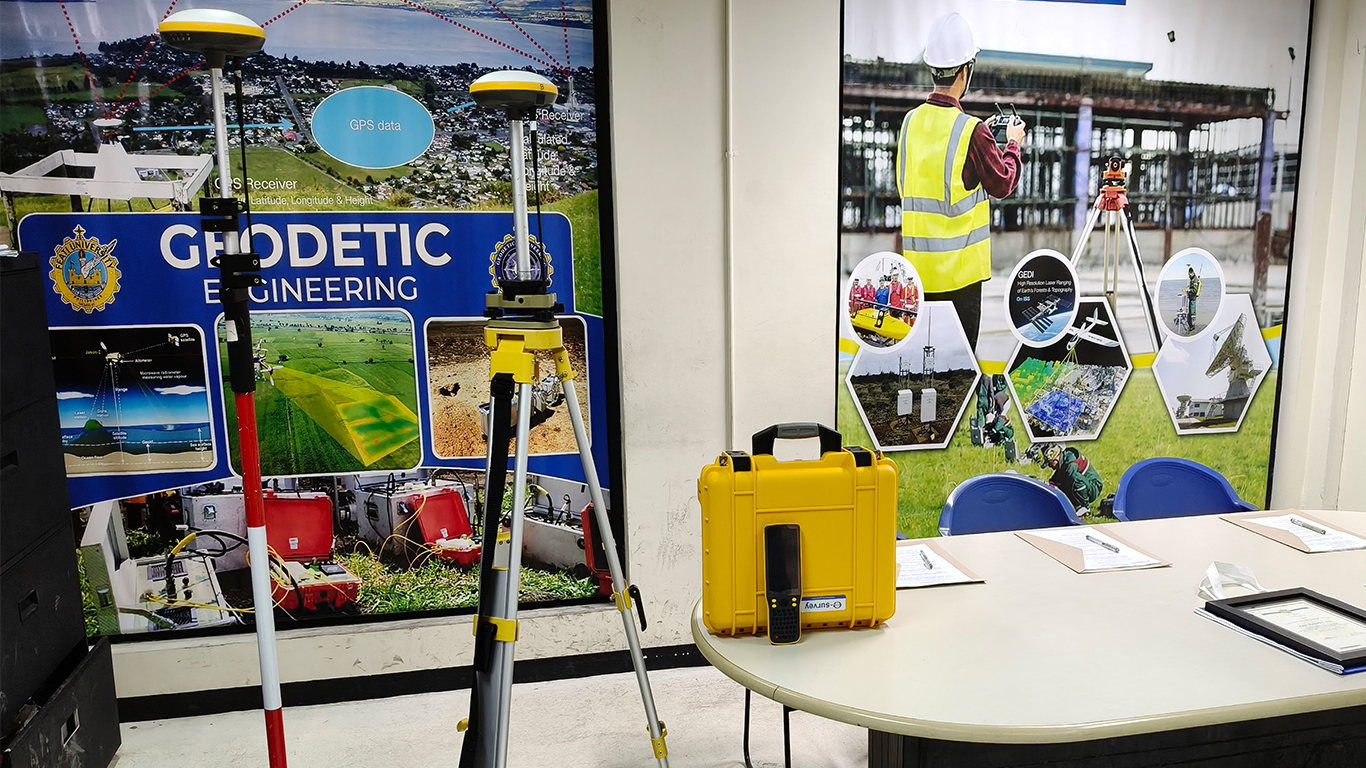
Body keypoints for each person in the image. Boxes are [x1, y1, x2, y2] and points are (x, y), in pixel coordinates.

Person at [896, 12, 1024, 350]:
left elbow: (912, 186)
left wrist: (981, 136)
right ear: (966, 70)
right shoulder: (972, 132)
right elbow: (1003, 183)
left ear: (932, 69)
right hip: (960, 283)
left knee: (924, 366)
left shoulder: (909, 124)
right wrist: (1012, 144)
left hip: (917, 278)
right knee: (959, 370)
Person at [1042, 444, 1103, 516]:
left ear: (1055, 460)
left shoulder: (1070, 465)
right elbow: (1055, 481)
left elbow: (1069, 481)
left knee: (1074, 479)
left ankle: (1084, 507)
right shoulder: (1064, 461)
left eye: (1050, 463)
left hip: (1094, 486)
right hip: (1086, 484)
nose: (1050, 466)